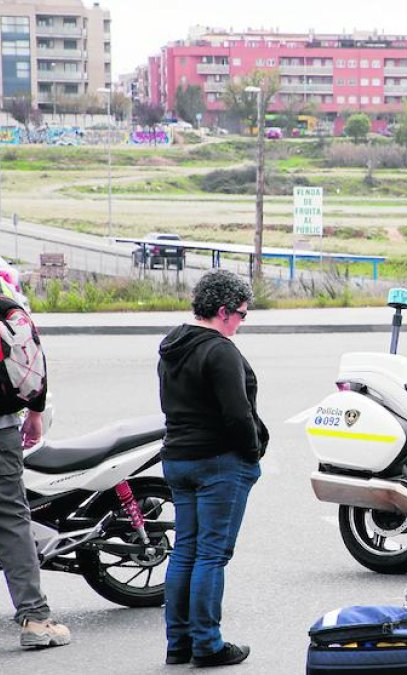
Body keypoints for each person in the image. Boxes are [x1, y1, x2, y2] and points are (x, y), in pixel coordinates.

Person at [158, 269, 267, 668]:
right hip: (217, 463)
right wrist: (252, 455)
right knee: (211, 555)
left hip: (178, 459)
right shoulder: (219, 350)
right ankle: (207, 643)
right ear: (222, 310)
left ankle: (179, 643)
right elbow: (237, 415)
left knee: (185, 550)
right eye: (241, 313)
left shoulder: (173, 344)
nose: (242, 321)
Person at [0, 274, 71, 649]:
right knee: (10, 522)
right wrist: (34, 413)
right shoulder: (2, 309)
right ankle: (35, 620)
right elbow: (33, 366)